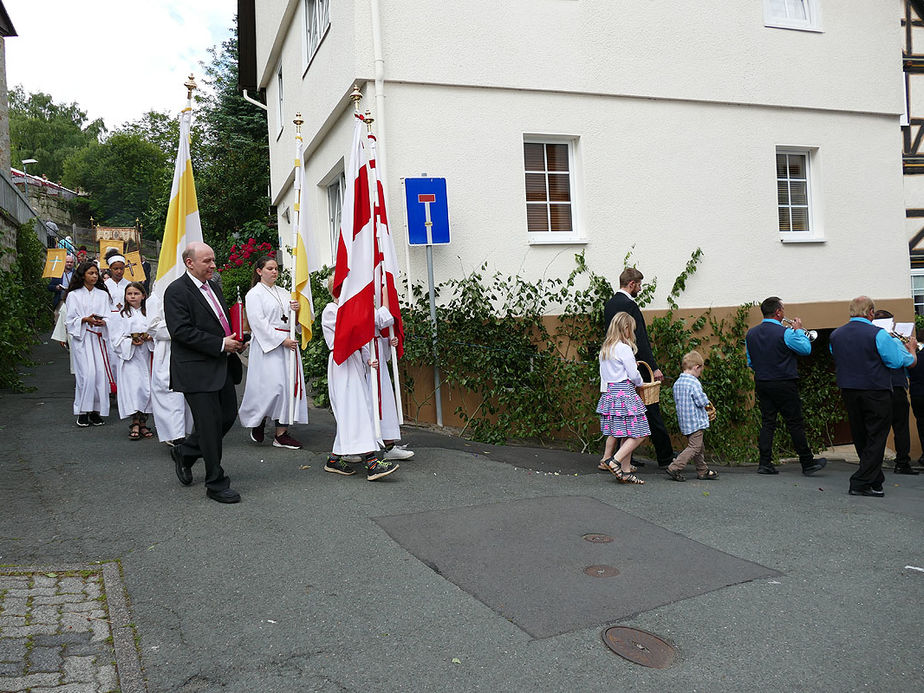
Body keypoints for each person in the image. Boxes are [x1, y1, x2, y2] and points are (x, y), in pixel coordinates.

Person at [164, 242, 244, 504]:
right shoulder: (176, 291)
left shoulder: (213, 286)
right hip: (196, 370)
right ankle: (215, 482)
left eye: (213, 260)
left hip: (221, 365)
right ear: (190, 263)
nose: (213, 265)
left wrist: (237, 337)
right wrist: (221, 344)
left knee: (228, 416)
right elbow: (181, 331)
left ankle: (186, 452)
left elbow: (219, 322)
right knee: (209, 427)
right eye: (207, 261)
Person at [830, 296, 917, 497]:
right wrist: (911, 352)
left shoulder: (836, 334)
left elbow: (837, 355)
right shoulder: (878, 334)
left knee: (861, 436)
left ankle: (874, 479)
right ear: (870, 313)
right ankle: (860, 481)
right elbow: (897, 361)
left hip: (849, 390)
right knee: (877, 437)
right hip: (875, 390)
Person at [322, 278, 399, 480]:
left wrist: (367, 359)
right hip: (342, 362)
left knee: (358, 409)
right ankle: (371, 462)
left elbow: (362, 338)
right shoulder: (331, 310)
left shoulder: (349, 309)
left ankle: (333, 459)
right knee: (353, 409)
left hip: (354, 360)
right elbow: (349, 333)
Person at [744, 297, 827, 476]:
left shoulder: (750, 334)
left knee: (768, 422)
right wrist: (797, 331)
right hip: (784, 382)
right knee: (795, 422)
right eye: (783, 310)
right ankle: (807, 462)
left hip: (762, 382)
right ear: (778, 312)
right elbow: (806, 349)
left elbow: (751, 362)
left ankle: (765, 463)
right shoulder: (786, 333)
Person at [602, 268, 673, 468]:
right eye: (639, 285)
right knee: (650, 411)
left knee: (621, 417)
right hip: (634, 367)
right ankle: (665, 457)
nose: (640, 289)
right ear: (631, 284)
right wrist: (653, 367)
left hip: (615, 368)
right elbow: (640, 339)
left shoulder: (610, 305)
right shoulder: (629, 305)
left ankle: (624, 458)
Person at [238, 256, 308, 449]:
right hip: (269, 347)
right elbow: (257, 323)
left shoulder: (285, 293)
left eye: (276, 268)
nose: (274, 272)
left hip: (288, 345)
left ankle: (281, 433)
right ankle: (259, 419)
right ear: (259, 271)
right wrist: (280, 341)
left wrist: (295, 310)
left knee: (287, 388)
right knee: (272, 387)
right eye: (270, 268)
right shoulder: (254, 294)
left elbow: (291, 322)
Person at [596, 311, 649, 485]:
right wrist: (640, 381)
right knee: (640, 432)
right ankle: (615, 460)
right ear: (625, 328)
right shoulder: (623, 348)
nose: (631, 332)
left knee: (626, 433)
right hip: (625, 393)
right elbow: (634, 374)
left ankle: (625, 472)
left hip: (611, 394)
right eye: (631, 329)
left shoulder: (605, 349)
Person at [64, 262, 114, 426]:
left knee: (100, 375)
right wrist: (85, 319)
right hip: (83, 339)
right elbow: (70, 320)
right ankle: (82, 411)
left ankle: (95, 411)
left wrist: (103, 322)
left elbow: (109, 316)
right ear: (82, 275)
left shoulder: (103, 295)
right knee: (87, 375)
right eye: (91, 273)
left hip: (99, 339)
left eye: (96, 273)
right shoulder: (74, 295)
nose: (94, 276)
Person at [872, 310, 919, 475]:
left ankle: (873, 464)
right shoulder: (894, 340)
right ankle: (902, 463)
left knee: (878, 428)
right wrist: (912, 349)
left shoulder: (870, 339)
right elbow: (909, 362)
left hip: (876, 389)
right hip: (896, 388)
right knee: (900, 427)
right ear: (890, 323)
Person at [146, 291, 193, 447]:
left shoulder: (191, 292)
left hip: (190, 348)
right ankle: (175, 434)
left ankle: (186, 431)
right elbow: (153, 328)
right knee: (170, 393)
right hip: (167, 351)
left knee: (188, 393)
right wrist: (180, 325)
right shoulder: (155, 298)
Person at [664, 351, 718, 482]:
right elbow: (701, 401)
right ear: (696, 367)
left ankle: (702, 470)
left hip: (685, 421)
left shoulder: (678, 383)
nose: (700, 373)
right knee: (695, 447)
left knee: (698, 446)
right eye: (701, 370)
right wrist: (706, 400)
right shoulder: (694, 383)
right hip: (696, 421)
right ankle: (675, 467)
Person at [112, 282, 155, 439]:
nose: (132, 296)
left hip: (145, 355)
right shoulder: (121, 315)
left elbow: (155, 331)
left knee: (146, 389)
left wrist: (150, 337)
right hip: (130, 357)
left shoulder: (148, 314)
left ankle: (144, 422)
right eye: (129, 294)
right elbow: (115, 339)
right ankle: (135, 422)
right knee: (134, 389)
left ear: (143, 296)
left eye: (136, 293)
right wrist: (130, 341)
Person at [374, 306, 414, 461]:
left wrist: (388, 342)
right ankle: (353, 451)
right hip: (362, 366)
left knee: (385, 404)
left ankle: (389, 446)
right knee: (365, 407)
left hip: (377, 363)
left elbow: (379, 326)